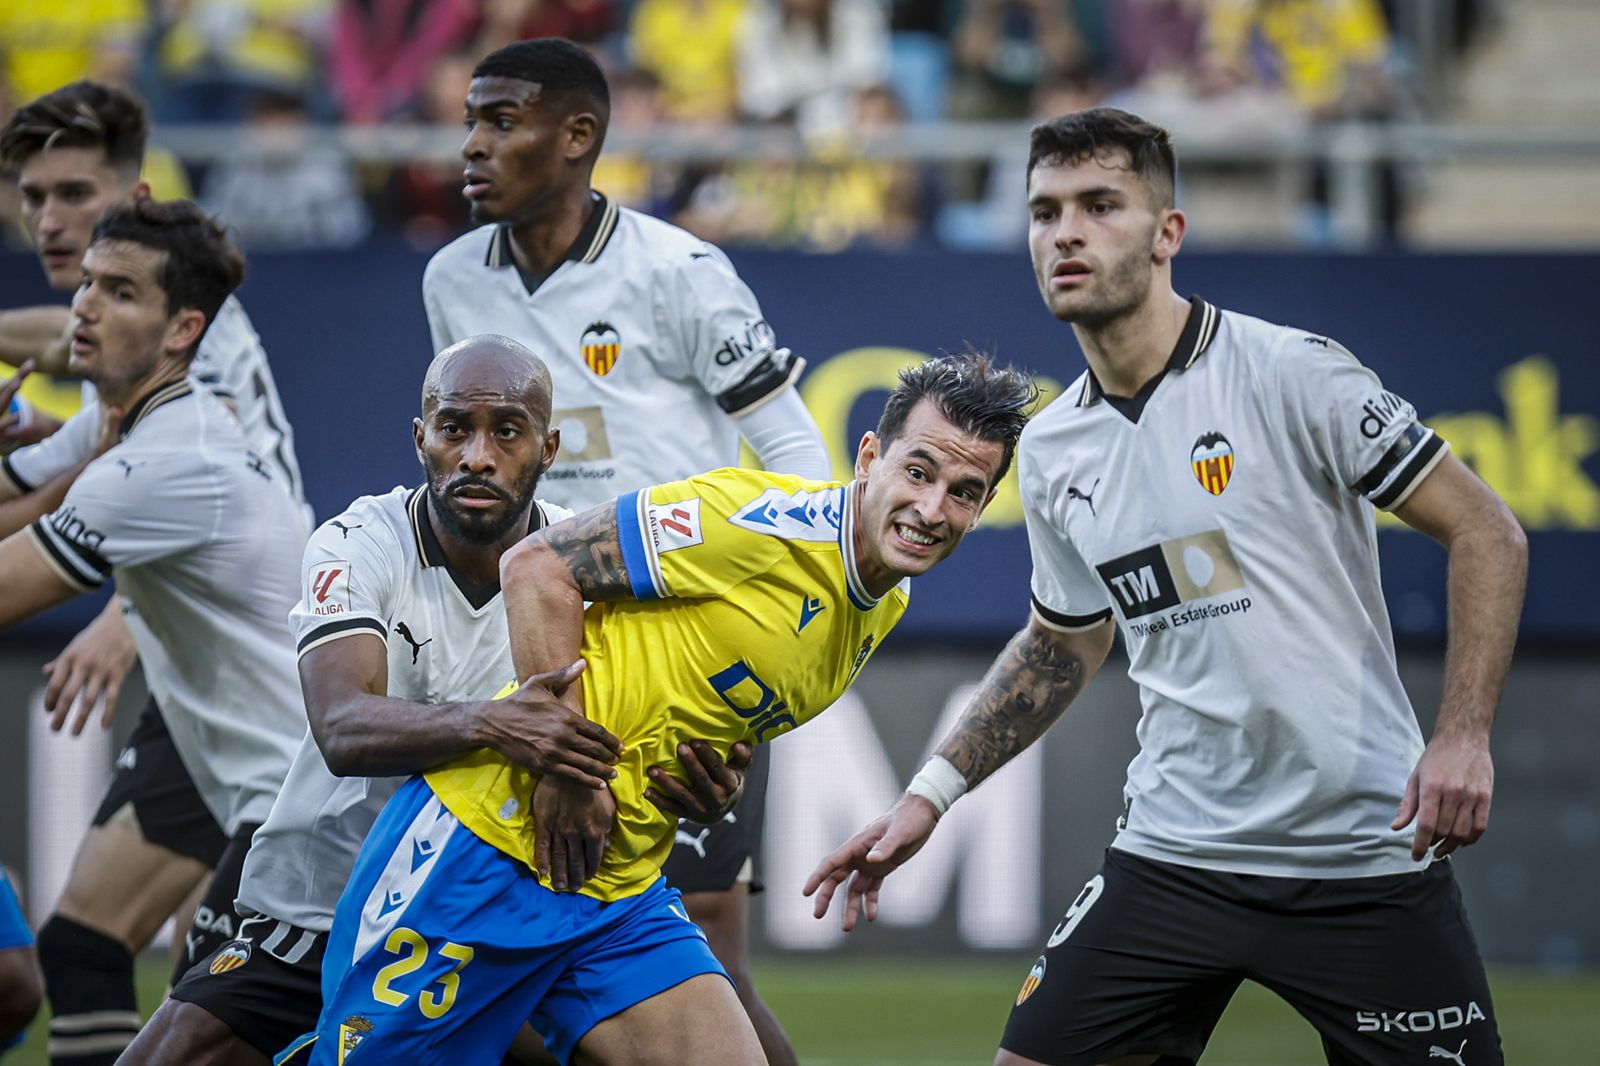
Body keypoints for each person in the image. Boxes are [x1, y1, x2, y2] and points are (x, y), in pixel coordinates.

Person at [805, 107, 1527, 1066]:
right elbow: (1064, 642)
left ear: (1166, 233)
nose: (1066, 232)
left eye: (1101, 205)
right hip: (1173, 856)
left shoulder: (1294, 377)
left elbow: (1489, 531)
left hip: (1358, 855)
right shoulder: (1055, 446)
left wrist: (1464, 735)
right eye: (1045, 210)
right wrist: (928, 795)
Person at [290, 351, 1035, 1064]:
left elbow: (709, 702)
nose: (931, 509)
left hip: (617, 891)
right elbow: (537, 565)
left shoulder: (885, 601)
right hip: (482, 848)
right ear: (869, 455)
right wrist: (574, 773)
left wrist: (716, 785)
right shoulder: (756, 521)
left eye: (963, 492)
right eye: (918, 471)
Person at [422, 38, 833, 1066]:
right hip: (538, 645)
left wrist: (771, 634)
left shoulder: (679, 272)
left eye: (500, 121)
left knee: (697, 960)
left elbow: (794, 451)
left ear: (578, 137)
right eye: (470, 119)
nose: (470, 145)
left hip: (681, 655)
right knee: (515, 969)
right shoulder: (450, 280)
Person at [116, 335, 637, 1065]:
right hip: (327, 900)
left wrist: (700, 781)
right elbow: (341, 725)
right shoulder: (359, 542)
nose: (477, 456)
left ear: (549, 448)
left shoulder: (592, 562)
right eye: (455, 428)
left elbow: (640, 733)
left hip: (494, 911)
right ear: (420, 438)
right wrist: (497, 723)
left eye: (507, 431)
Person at [0, 81, 308, 1066]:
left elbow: (52, 550)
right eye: (30, 195)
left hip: (301, 780)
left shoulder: (173, 429)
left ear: (181, 325)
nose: (81, 303)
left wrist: (121, 613)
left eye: (114, 287)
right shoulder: (125, 405)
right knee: (90, 949)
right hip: (240, 731)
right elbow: (29, 486)